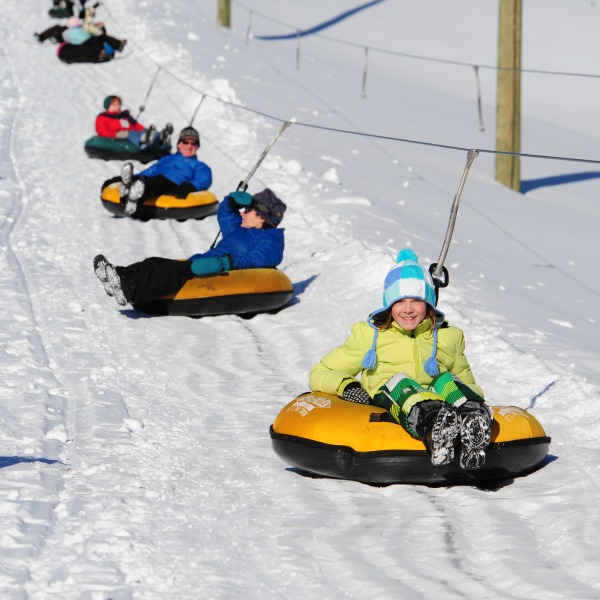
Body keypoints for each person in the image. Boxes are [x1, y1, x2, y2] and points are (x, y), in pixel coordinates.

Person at [309, 248, 492, 471]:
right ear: (388, 304)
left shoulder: (447, 336)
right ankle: (435, 428)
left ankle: (472, 423)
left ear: (429, 303)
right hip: (394, 401)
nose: (408, 309)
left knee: (446, 380)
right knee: (400, 382)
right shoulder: (371, 335)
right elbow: (320, 372)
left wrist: (473, 397)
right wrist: (347, 386)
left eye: (416, 300)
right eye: (400, 301)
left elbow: (466, 380)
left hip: (445, 405)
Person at [93, 188, 287, 307]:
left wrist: (221, 264)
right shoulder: (238, 230)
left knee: (169, 273)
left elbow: (255, 261)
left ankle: (130, 288)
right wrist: (232, 201)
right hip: (204, 262)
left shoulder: (271, 241)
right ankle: (118, 275)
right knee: (155, 262)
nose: (243, 214)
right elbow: (226, 213)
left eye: (248, 211)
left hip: (219, 271)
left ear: (262, 218)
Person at [103, 126, 212, 217]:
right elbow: (150, 171)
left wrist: (189, 186)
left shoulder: (200, 165)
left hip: (172, 183)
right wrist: (134, 177)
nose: (189, 146)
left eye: (193, 143)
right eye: (185, 142)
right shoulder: (167, 158)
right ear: (179, 144)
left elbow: (204, 178)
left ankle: (133, 194)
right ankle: (128, 187)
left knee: (157, 181)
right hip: (153, 179)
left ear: (197, 147)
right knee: (146, 179)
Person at [95, 95, 173, 150]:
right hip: (117, 133)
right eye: (114, 105)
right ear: (108, 106)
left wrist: (144, 130)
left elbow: (135, 124)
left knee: (143, 132)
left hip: (132, 131)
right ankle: (142, 142)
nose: (117, 107)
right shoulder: (103, 117)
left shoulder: (124, 115)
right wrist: (114, 134)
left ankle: (160, 137)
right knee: (131, 134)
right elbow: (102, 131)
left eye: (118, 104)